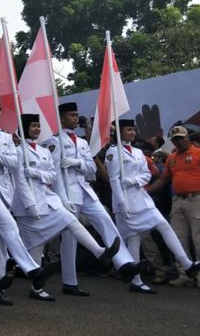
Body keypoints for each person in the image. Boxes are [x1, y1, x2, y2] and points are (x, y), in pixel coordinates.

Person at [11, 114, 120, 301]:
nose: (37, 129)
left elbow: (52, 176)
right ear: (24, 128)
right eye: (33, 126)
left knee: (70, 219)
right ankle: (36, 288)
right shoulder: (19, 151)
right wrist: (30, 205)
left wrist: (36, 173)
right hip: (29, 205)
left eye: (38, 126)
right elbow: (20, 181)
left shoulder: (44, 151)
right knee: (37, 245)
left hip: (47, 199)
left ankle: (100, 251)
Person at [43, 102, 139, 296]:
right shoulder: (53, 141)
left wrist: (77, 162)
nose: (76, 118)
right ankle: (70, 282)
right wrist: (61, 197)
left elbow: (91, 168)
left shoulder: (81, 142)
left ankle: (124, 264)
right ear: (61, 118)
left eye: (76, 114)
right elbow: (54, 174)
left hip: (84, 190)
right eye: (71, 115)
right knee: (69, 240)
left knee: (105, 220)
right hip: (68, 192)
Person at [0, 96, 57, 305]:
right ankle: (31, 269)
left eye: (0, 109)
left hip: (1, 192)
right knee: (5, 227)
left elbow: (13, 162)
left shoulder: (5, 137)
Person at [106, 119, 200, 293]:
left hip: (141, 198)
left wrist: (133, 180)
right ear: (120, 133)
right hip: (126, 201)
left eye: (133, 129)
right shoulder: (114, 153)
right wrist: (121, 202)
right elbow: (114, 180)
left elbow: (147, 174)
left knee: (162, 225)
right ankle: (136, 280)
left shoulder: (138, 152)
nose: (132, 132)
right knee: (134, 239)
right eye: (128, 130)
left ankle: (186, 263)